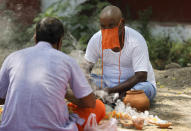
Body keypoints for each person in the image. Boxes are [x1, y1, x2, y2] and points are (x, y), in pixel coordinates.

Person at [0, 17, 105, 131]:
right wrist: (65, 92)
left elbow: (0, 98)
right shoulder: (67, 61)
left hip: (9, 128)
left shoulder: (13, 57)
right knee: (99, 107)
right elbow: (90, 102)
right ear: (60, 42)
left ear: (35, 38)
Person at [84, 5, 156, 102]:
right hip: (106, 84)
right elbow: (85, 70)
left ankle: (109, 98)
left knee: (142, 91)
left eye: (111, 26)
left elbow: (141, 76)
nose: (107, 31)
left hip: (134, 86)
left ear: (121, 23)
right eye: (103, 26)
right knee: (81, 82)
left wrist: (110, 91)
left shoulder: (136, 40)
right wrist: (88, 84)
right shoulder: (96, 39)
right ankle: (115, 99)